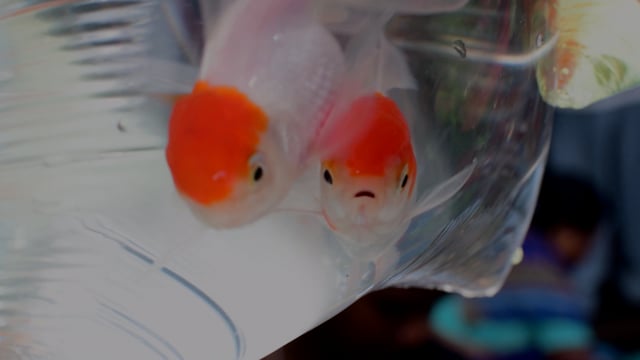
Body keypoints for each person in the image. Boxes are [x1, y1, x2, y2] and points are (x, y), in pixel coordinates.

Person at [427, 170, 607, 360]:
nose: (589, 249)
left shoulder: (506, 252)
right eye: (589, 239)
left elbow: (446, 317)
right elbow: (574, 350)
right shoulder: (547, 283)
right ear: (568, 232)